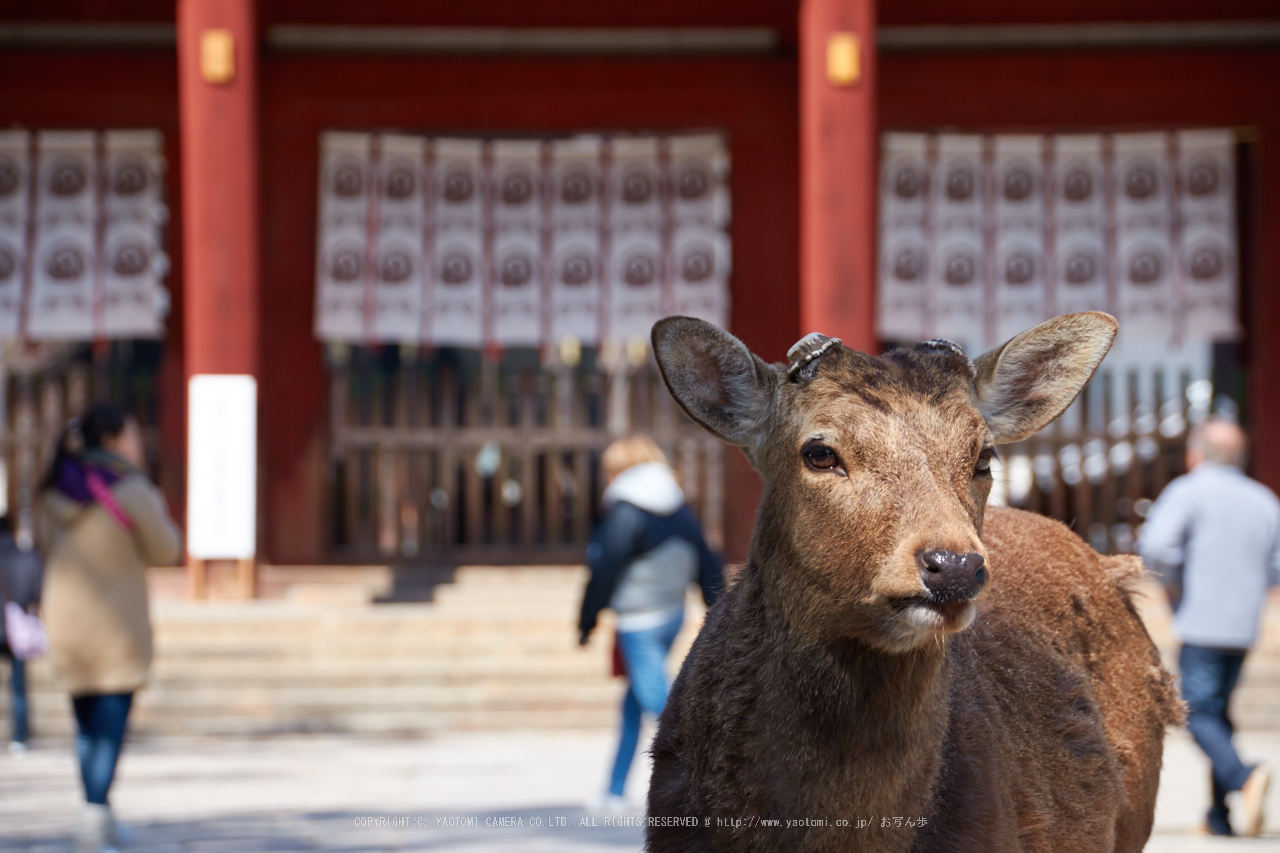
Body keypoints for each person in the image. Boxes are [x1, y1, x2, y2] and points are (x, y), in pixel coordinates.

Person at [38, 403, 180, 853]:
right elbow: (166, 549)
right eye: (134, 434)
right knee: (111, 725)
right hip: (115, 625)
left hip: (64, 621)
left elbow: (43, 546)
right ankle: (94, 816)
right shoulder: (132, 490)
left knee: (84, 726)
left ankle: (98, 812)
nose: (139, 444)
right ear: (112, 441)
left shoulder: (51, 492)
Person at [1139, 417, 1279, 837]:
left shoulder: (1188, 491)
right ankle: (1219, 817)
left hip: (1200, 621)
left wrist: (1174, 584)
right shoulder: (1264, 499)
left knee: (1195, 710)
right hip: (1243, 626)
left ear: (1195, 454)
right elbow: (1276, 566)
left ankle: (1242, 775)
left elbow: (1158, 547)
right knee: (1219, 714)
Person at [578, 435, 723, 811]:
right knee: (633, 703)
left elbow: (603, 569)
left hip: (637, 622)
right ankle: (612, 791)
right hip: (672, 615)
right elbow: (706, 562)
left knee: (661, 705)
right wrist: (717, 606)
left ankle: (710, 781)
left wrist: (586, 620)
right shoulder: (678, 506)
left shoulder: (626, 510)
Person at [0, 513, 44, 755]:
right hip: (18, 628)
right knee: (18, 685)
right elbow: (39, 590)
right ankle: (20, 737)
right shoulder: (27, 558)